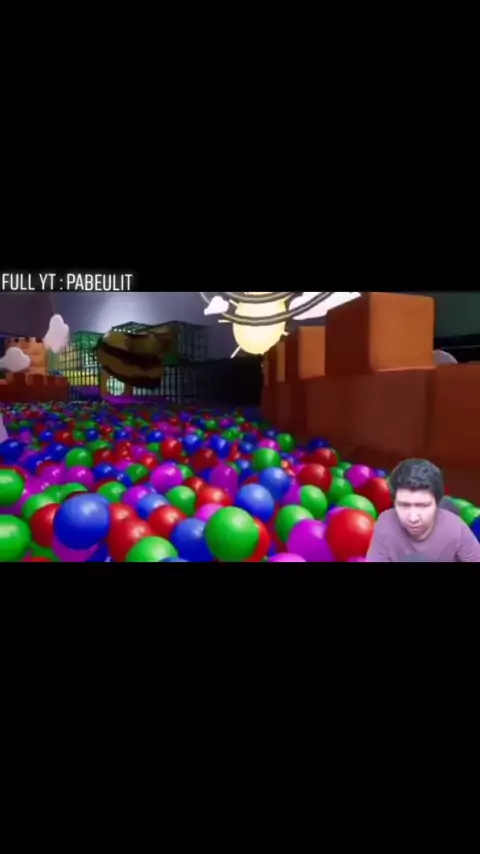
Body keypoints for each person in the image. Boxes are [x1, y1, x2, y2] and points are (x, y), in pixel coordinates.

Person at [366, 459, 480, 562]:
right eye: (404, 505)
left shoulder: (455, 528)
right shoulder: (385, 525)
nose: (413, 518)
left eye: (423, 506)